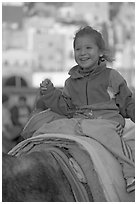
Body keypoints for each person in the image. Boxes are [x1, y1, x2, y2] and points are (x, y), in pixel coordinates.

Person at [35, 26, 135, 193]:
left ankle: (130, 172)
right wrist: (50, 93)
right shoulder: (70, 82)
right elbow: (65, 107)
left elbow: (127, 102)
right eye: (77, 49)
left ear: (100, 51)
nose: (82, 53)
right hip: (79, 120)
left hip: (105, 121)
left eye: (88, 48)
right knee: (47, 129)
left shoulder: (111, 76)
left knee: (111, 138)